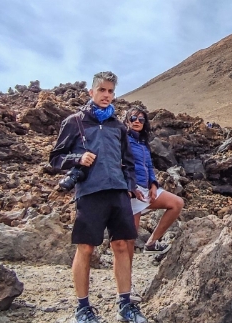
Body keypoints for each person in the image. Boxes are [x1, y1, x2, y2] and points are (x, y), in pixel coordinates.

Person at [49, 72, 148, 323]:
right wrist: (76, 159)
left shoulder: (117, 126)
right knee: (85, 248)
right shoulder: (75, 122)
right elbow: (55, 157)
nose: (106, 95)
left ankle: (125, 304)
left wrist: (128, 185)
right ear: (91, 92)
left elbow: (127, 161)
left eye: (110, 91)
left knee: (122, 246)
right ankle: (83, 309)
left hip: (117, 193)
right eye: (102, 90)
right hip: (90, 192)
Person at [124, 107, 183, 265]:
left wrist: (154, 185)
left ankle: (151, 243)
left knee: (176, 203)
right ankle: (126, 283)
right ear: (126, 121)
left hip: (146, 189)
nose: (137, 122)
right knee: (130, 239)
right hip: (131, 191)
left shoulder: (143, 143)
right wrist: (131, 188)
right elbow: (120, 165)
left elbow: (149, 167)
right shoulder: (123, 141)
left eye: (141, 119)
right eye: (133, 118)